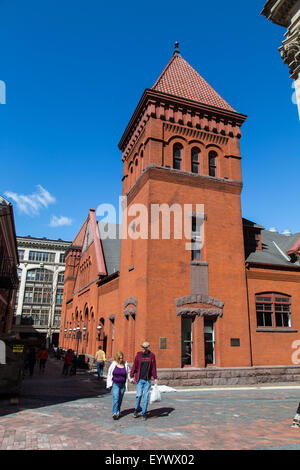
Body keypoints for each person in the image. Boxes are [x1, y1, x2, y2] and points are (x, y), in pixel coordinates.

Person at [129, 341, 158, 421]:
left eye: (145, 348)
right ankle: (137, 408)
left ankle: (144, 412)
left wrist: (155, 377)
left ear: (148, 348)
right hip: (139, 379)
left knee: (145, 397)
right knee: (139, 395)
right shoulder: (138, 355)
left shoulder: (152, 356)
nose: (144, 349)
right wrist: (131, 376)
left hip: (147, 380)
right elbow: (135, 365)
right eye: (143, 348)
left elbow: (153, 368)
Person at [106, 351, 131, 420]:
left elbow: (128, 373)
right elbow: (109, 374)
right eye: (119, 358)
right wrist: (108, 384)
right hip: (115, 384)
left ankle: (118, 411)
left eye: (122, 358)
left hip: (122, 384)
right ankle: (114, 413)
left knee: (120, 399)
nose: (121, 359)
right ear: (117, 358)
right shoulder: (114, 364)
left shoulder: (125, 364)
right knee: (116, 398)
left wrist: (130, 379)